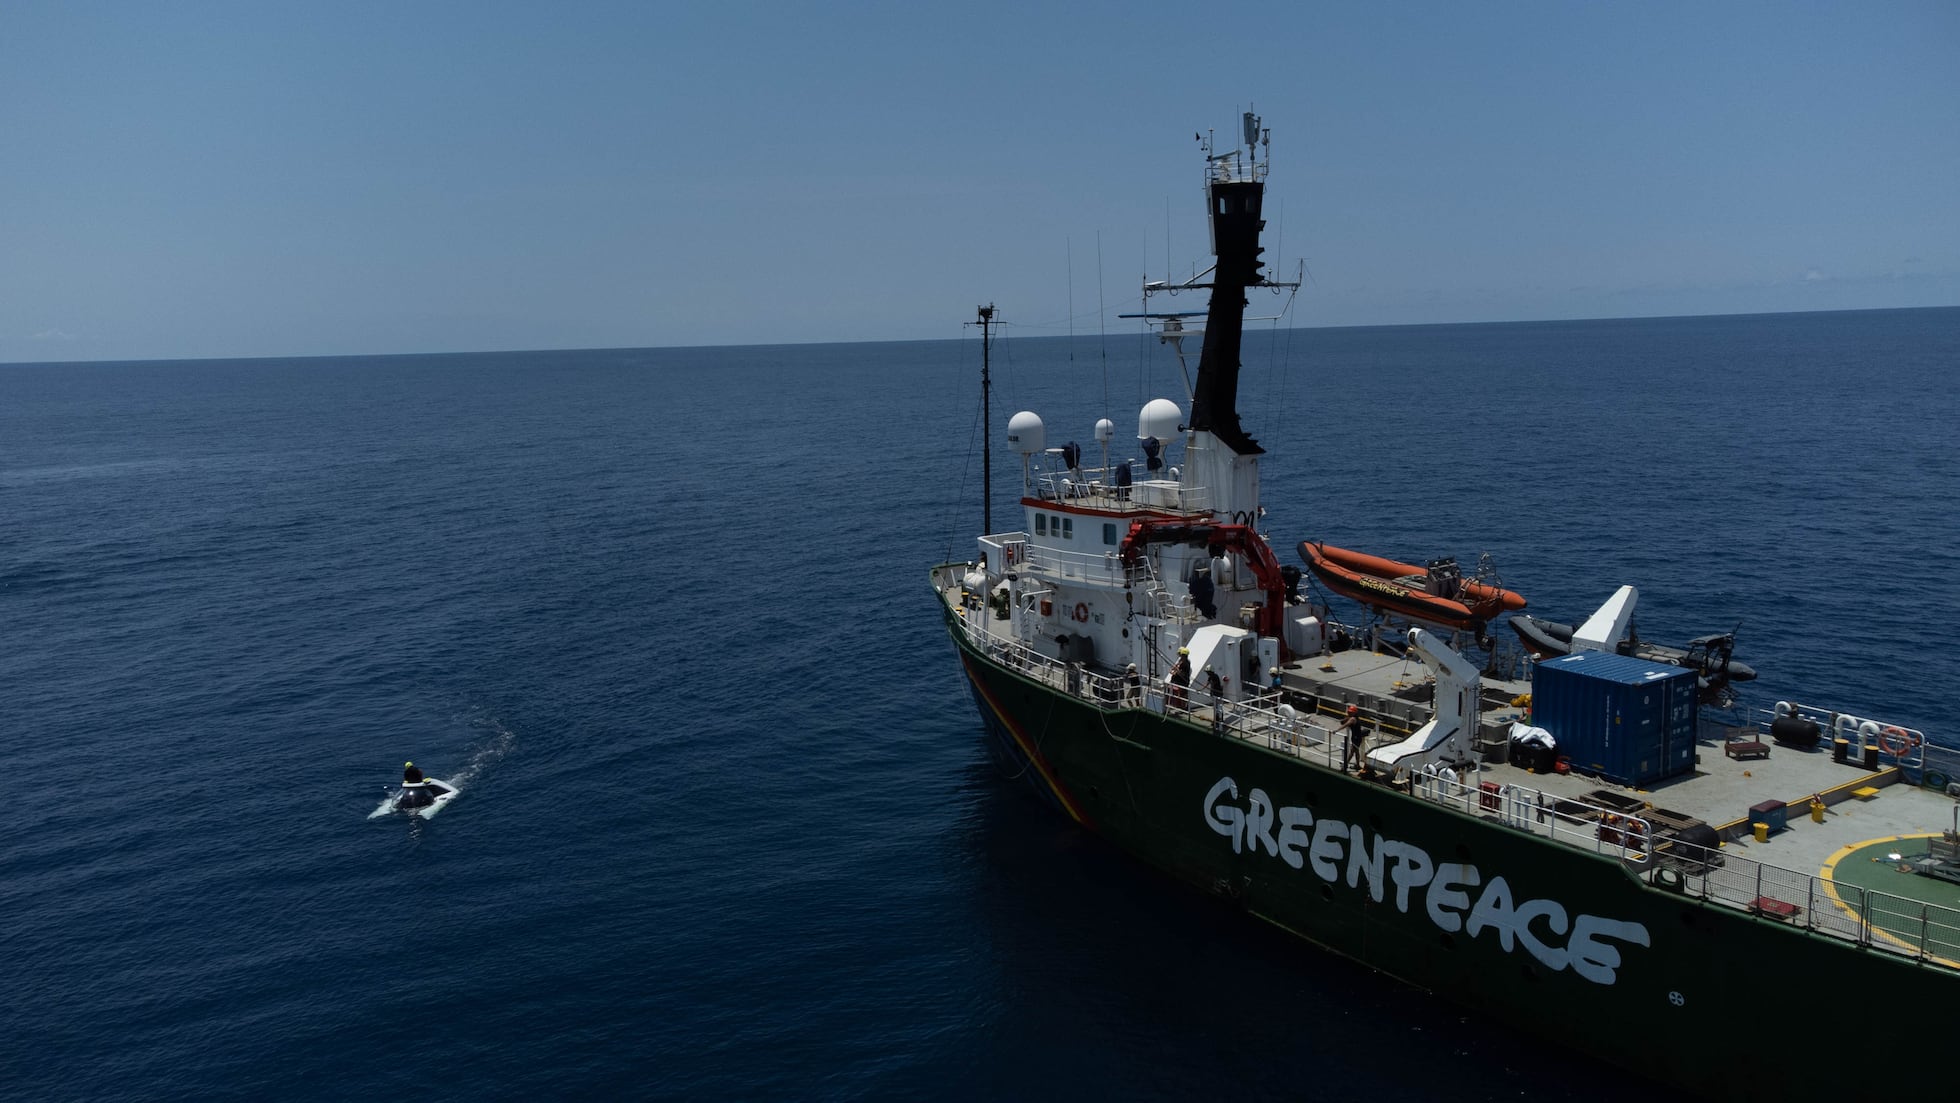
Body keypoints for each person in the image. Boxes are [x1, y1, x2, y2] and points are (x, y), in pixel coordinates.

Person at [1337, 705, 1365, 772]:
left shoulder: (1353, 719)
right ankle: (1357, 765)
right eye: (1349, 711)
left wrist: (1337, 730)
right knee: (1356, 751)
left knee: (1352, 752)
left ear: (1354, 713)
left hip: (1356, 738)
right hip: (1356, 737)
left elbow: (1345, 724)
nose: (1349, 713)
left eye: (1350, 712)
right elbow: (1343, 721)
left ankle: (1345, 766)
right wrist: (1345, 719)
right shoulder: (1353, 717)